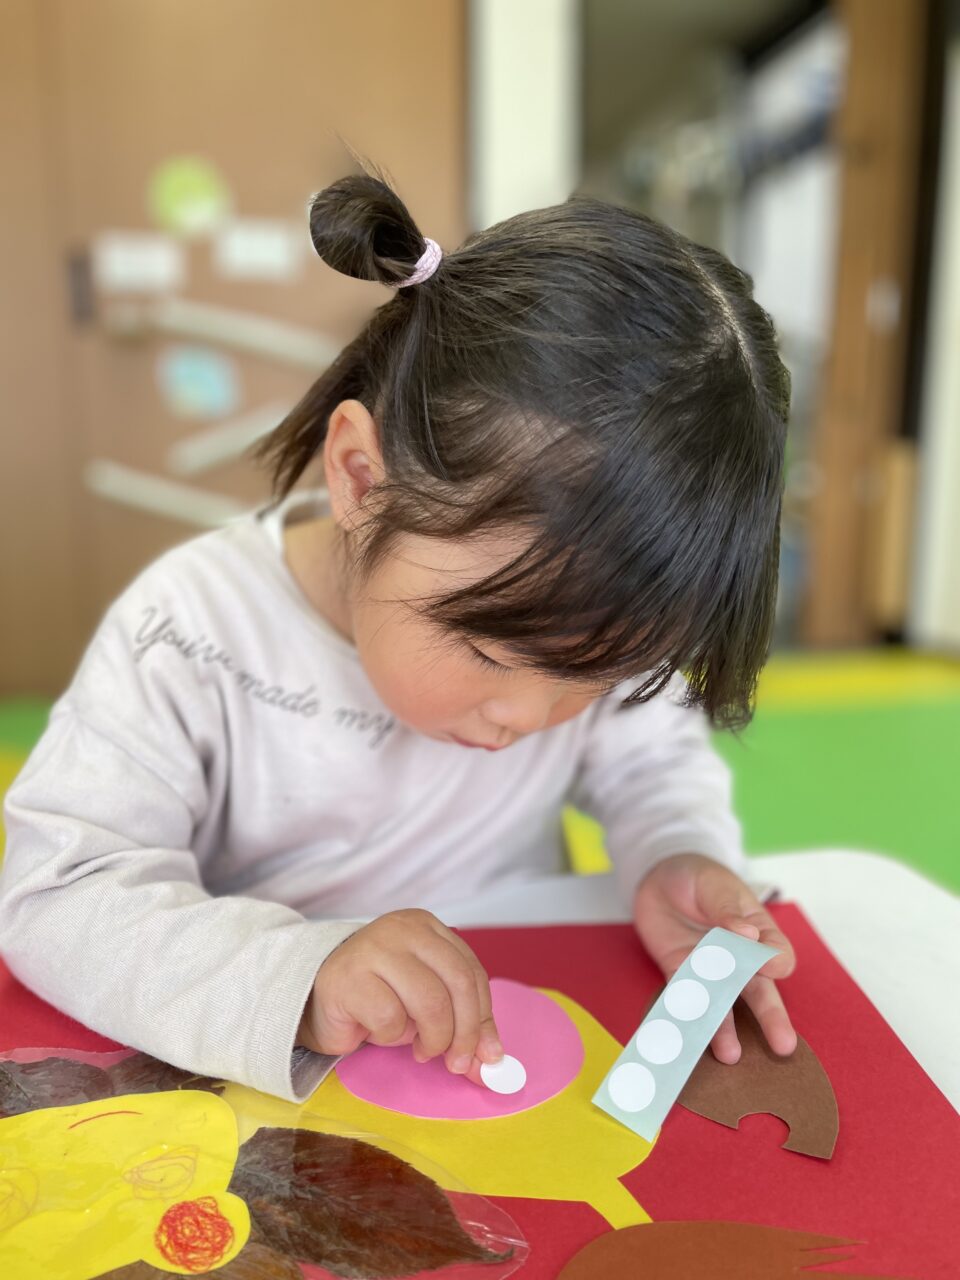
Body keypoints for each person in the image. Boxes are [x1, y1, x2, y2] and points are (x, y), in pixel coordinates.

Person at [0, 166, 797, 1104]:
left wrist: (675, 851)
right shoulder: (188, 634)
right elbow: (59, 894)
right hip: (275, 1084)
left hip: (515, 1034)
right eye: (492, 653)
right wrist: (299, 976)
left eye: (601, 673)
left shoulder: (576, 617)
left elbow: (651, 760)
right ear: (360, 478)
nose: (531, 718)